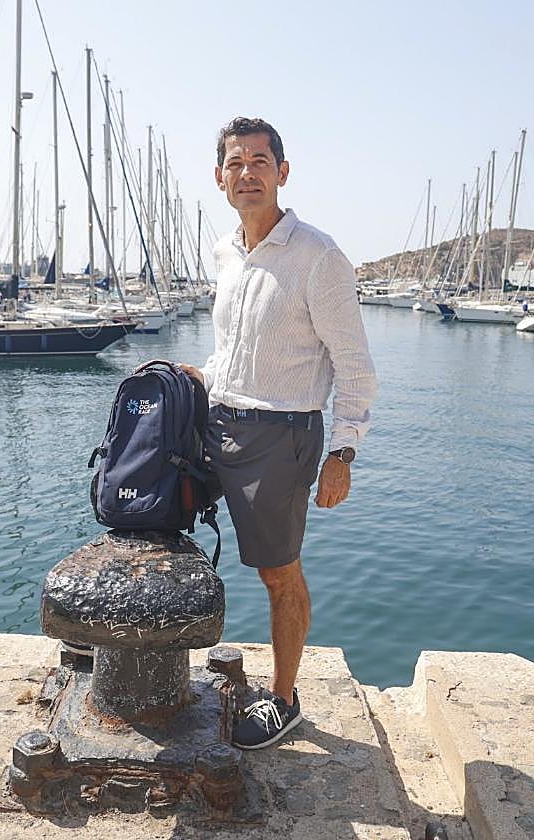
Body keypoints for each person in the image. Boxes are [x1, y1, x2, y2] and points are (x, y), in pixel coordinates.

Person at [179, 117, 376, 750]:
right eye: (235, 164)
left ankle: (284, 699)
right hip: (218, 419)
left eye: (260, 162)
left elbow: (354, 367)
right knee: (153, 511)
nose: (247, 174)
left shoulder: (318, 257)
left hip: (280, 437)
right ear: (219, 178)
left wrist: (341, 453)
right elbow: (236, 350)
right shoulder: (223, 252)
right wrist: (198, 377)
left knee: (278, 573)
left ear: (282, 173)